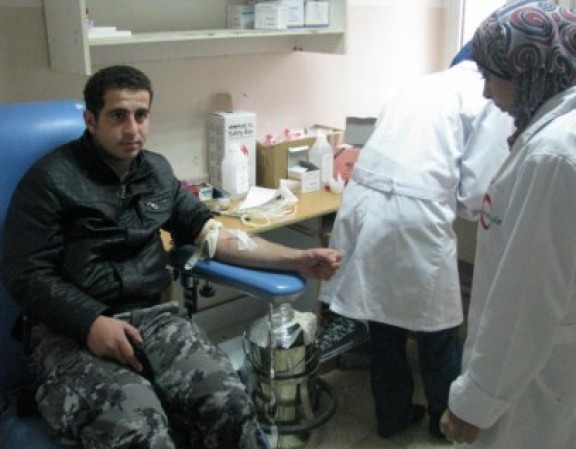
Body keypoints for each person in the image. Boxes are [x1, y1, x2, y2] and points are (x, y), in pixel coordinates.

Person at [1, 65, 342, 449]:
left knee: (229, 403)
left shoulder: (156, 172)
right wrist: (90, 321)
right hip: (70, 333)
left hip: (153, 322)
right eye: (118, 116)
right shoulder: (50, 181)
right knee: (139, 430)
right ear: (91, 121)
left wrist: (296, 258)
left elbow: (211, 234)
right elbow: (27, 272)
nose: (132, 129)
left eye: (141, 115)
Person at [319, 46, 513, 439]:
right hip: (412, 215)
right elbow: (476, 194)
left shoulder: (419, 84)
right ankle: (445, 424)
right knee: (437, 330)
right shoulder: (489, 97)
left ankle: (392, 416)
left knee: (383, 319)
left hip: (362, 204)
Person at [439, 2, 576, 448]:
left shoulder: (555, 155)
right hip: (563, 356)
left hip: (529, 379)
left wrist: (474, 402)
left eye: (493, 77)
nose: (487, 93)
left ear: (532, 71)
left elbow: (524, 297)